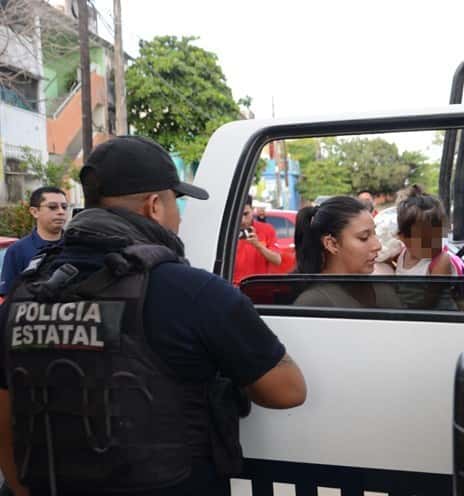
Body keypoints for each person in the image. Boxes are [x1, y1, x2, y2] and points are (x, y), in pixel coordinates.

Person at [0, 135, 306, 496]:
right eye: (176, 202)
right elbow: (287, 391)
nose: (178, 216)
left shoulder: (27, 290)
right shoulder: (193, 292)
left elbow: (8, 419)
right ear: (154, 206)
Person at [293, 196, 400, 308]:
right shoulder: (314, 303)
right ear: (332, 244)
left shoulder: (381, 287)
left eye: (375, 234)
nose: (377, 246)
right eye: (364, 237)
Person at [0, 187, 67, 296]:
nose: (61, 212)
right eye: (53, 207)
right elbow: (8, 296)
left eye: (64, 207)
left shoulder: (75, 246)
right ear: (35, 212)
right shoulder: (17, 250)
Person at [395, 185, 464, 276]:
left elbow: (435, 290)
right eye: (425, 240)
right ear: (402, 237)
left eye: (437, 236)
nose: (433, 244)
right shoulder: (402, 254)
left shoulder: (441, 261)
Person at [233, 196, 281, 285]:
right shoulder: (228, 231)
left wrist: (258, 245)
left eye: (246, 214)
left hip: (258, 287)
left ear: (252, 210)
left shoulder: (266, 229)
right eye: (238, 215)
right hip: (234, 287)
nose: (242, 220)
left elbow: (277, 260)